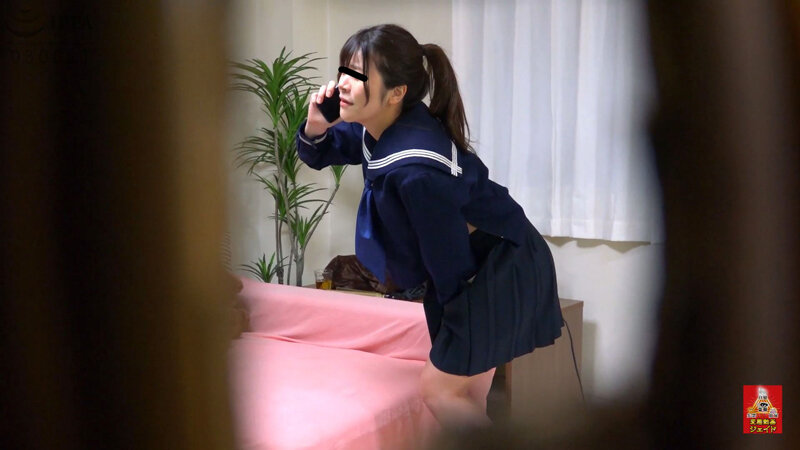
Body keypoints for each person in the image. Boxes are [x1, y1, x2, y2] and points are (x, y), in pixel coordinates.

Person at [296, 24, 563, 430]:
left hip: (498, 265)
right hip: (472, 263)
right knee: (465, 390)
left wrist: (454, 322)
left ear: (397, 92)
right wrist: (317, 124)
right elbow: (321, 153)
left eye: (358, 75)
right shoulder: (380, 126)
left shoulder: (416, 169)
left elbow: (448, 258)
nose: (343, 84)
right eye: (343, 70)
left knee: (439, 389)